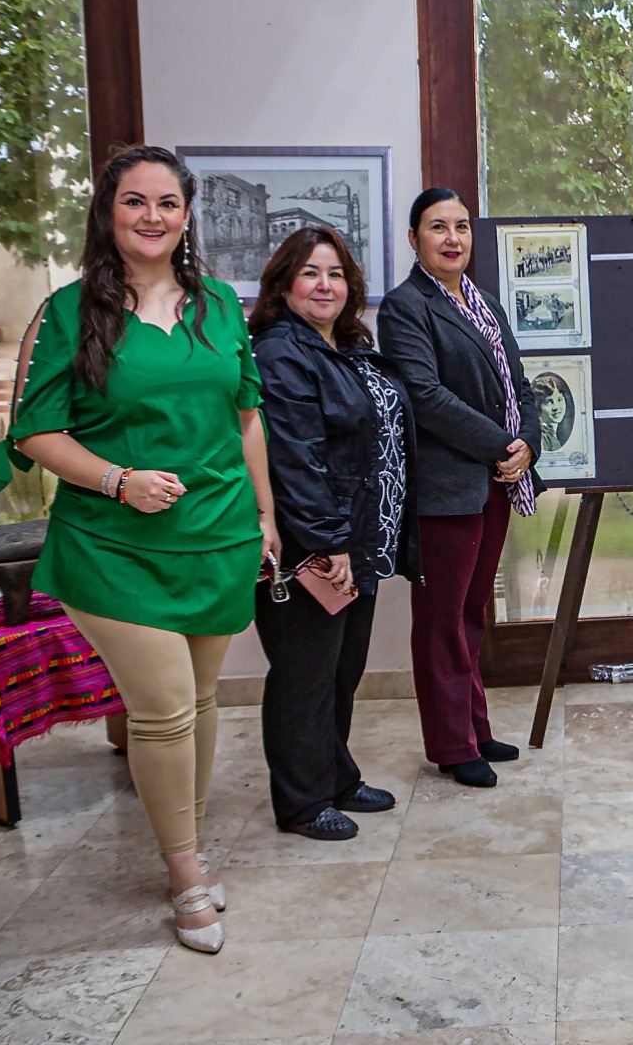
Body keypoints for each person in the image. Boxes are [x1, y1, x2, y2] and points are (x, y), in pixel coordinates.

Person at [0, 145, 278, 954]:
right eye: (135, 202)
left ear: (187, 217)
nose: (152, 217)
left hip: (216, 533)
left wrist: (267, 516)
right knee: (163, 707)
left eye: (168, 204)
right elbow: (35, 431)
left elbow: (246, 417)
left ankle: (190, 835)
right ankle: (185, 873)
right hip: (113, 541)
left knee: (204, 699)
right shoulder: (68, 311)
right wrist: (118, 480)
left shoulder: (219, 305)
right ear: (108, 214)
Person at [249, 227, 422, 840]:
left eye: (336, 274)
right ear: (284, 284)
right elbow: (297, 460)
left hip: (360, 540)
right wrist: (329, 544)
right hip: (312, 548)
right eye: (311, 273)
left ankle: (335, 775)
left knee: (342, 670)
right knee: (304, 674)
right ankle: (299, 802)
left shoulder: (347, 345)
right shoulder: (279, 353)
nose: (326, 285)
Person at [379, 188, 542, 788]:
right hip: (447, 490)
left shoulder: (486, 305)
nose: (453, 238)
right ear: (415, 238)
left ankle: (474, 726)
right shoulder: (405, 308)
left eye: (462, 227)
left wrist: (528, 442)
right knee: (442, 617)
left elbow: (518, 385)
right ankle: (450, 744)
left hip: (495, 482)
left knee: (473, 611)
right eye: (438, 227)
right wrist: (502, 445)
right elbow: (425, 398)